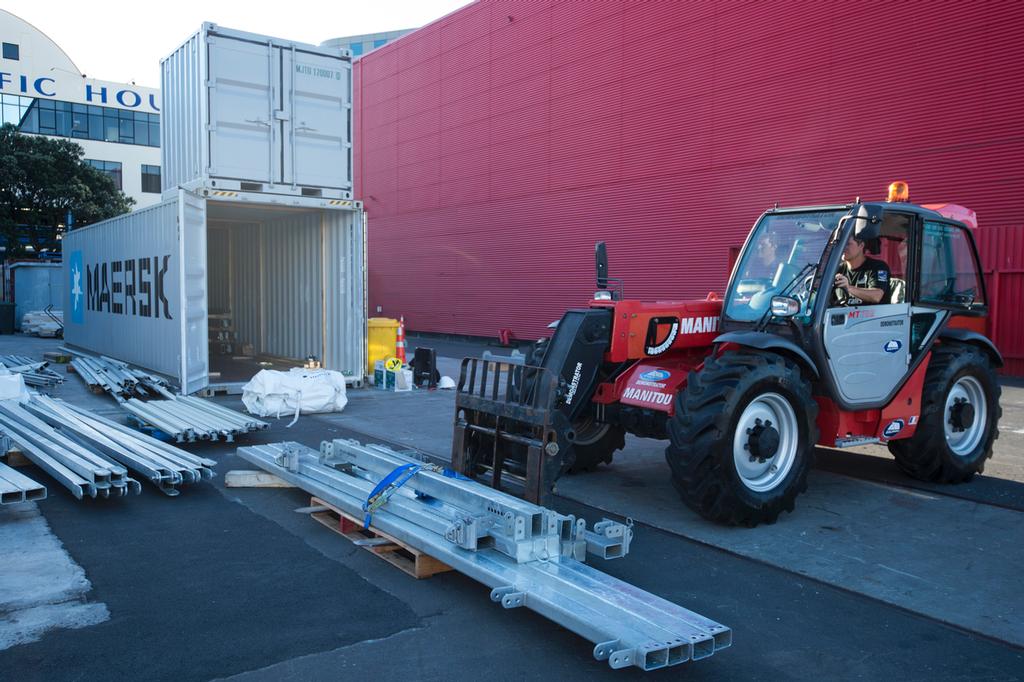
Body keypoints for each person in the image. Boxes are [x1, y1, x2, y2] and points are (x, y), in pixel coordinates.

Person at [833, 237, 890, 305]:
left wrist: (848, 288)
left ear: (861, 246)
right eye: (841, 244)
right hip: (843, 314)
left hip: (872, 314)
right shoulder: (836, 270)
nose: (843, 247)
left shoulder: (879, 267)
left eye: (848, 244)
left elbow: (877, 296)